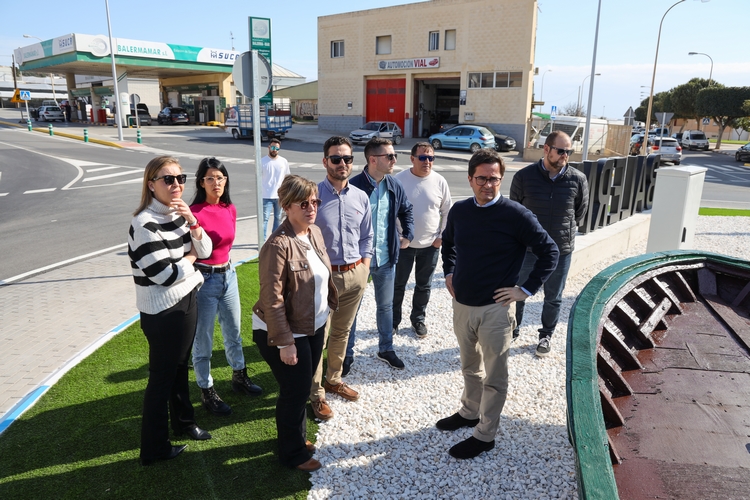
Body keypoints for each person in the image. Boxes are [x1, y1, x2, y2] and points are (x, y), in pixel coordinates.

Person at [437, 149, 558, 459]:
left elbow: (550, 252)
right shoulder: (461, 211)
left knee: (494, 377)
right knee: (470, 367)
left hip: (496, 311)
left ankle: (485, 434)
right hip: (462, 305)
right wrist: (449, 272)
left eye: (494, 179)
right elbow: (448, 244)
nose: (487, 185)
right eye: (481, 178)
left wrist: (525, 289)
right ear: (470, 179)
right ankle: (469, 413)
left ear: (501, 180)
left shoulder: (516, 215)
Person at [128, 156, 214, 466]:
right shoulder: (143, 223)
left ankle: (184, 423)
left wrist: (192, 221)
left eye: (180, 178)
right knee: (161, 379)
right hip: (163, 312)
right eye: (168, 179)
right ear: (151, 185)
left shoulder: (179, 213)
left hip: (186, 301)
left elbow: (206, 250)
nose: (176, 184)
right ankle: (154, 448)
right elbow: (164, 275)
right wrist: (190, 260)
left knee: (180, 369)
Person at [252, 175, 338, 472]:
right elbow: (272, 299)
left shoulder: (314, 232)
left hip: (313, 326)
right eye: (304, 203)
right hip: (285, 332)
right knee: (295, 391)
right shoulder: (278, 245)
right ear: (286, 206)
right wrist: (286, 342)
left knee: (301, 388)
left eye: (315, 201)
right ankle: (292, 454)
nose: (311, 207)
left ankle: (297, 440)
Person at [189, 157, 262, 417]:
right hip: (204, 280)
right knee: (203, 340)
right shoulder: (194, 213)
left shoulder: (229, 208)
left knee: (234, 332)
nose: (216, 183)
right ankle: (206, 389)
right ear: (201, 182)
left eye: (220, 178)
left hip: (228, 276)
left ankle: (239, 376)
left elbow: (226, 245)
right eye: (210, 178)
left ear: (225, 180)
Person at [309, 136, 373, 420]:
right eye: (336, 158)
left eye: (347, 158)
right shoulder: (312, 196)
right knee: (318, 337)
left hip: (355, 275)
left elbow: (367, 236)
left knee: (342, 332)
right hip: (324, 279)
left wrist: (365, 267)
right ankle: (316, 394)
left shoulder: (360, 196)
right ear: (325, 162)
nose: (342, 163)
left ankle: (333, 379)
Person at [509, 130, 589, 357]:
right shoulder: (524, 177)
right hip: (528, 249)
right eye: (561, 151)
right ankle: (512, 330)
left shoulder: (578, 179)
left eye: (569, 151)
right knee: (518, 291)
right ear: (546, 149)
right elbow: (514, 212)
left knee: (554, 297)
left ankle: (546, 336)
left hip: (560, 250)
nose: (565, 155)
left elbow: (579, 213)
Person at [347, 137, 414, 371]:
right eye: (390, 156)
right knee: (351, 309)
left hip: (386, 259)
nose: (395, 160)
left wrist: (408, 235)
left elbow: (406, 210)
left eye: (395, 155)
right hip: (358, 262)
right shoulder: (353, 186)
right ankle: (347, 354)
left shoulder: (394, 184)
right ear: (373, 159)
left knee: (385, 307)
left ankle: (386, 349)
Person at [392, 142, 451, 339]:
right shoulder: (399, 180)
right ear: (412, 159)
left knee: (424, 285)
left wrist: (441, 237)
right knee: (398, 285)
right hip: (404, 245)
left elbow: (447, 211)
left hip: (430, 246)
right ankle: (393, 321)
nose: (427, 162)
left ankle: (418, 319)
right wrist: (398, 237)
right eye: (423, 158)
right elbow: (389, 212)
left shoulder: (440, 181)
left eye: (431, 158)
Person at [261, 138, 291, 240]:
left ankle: (275, 239)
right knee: (264, 219)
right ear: (269, 147)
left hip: (280, 196)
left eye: (277, 148)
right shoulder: (262, 162)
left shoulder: (283, 161)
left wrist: (287, 193)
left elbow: (287, 177)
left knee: (278, 218)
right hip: (266, 195)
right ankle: (262, 241)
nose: (274, 150)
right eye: (273, 147)